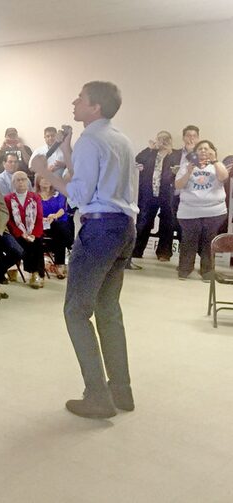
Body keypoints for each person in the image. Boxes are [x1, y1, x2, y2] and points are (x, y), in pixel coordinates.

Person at [32, 80, 137, 419]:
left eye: (80, 98)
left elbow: (78, 195)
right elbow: (90, 180)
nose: (74, 102)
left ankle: (96, 395)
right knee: (108, 310)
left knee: (76, 311)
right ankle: (121, 391)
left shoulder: (93, 139)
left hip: (100, 229)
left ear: (96, 107)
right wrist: (66, 150)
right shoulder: (120, 138)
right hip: (123, 228)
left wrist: (44, 171)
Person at [173, 139, 228, 280]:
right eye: (200, 149)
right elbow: (178, 185)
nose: (203, 151)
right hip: (189, 211)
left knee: (209, 241)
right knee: (188, 241)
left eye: (207, 148)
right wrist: (188, 172)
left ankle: (207, 272)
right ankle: (185, 270)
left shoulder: (218, 165)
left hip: (214, 211)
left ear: (212, 151)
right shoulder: (186, 165)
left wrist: (215, 161)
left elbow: (224, 177)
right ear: (195, 153)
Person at [129, 131, 176, 266]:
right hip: (149, 192)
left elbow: (178, 169)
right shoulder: (150, 152)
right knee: (144, 221)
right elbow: (137, 160)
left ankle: (164, 252)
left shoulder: (174, 154)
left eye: (166, 139)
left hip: (167, 193)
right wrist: (151, 148)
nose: (163, 141)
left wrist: (169, 151)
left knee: (167, 222)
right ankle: (137, 250)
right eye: (160, 138)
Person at [5, 171, 45, 289]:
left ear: (27, 181)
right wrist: (21, 233)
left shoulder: (35, 197)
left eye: (23, 179)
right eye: (18, 180)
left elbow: (39, 218)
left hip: (33, 231)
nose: (21, 182)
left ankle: (36, 274)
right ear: (13, 183)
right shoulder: (8, 199)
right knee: (20, 244)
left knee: (36, 242)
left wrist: (33, 234)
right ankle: (16, 269)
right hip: (16, 232)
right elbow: (9, 220)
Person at [36, 174, 73, 279]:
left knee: (59, 230)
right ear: (38, 181)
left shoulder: (59, 194)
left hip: (58, 222)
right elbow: (32, 212)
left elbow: (62, 209)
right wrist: (42, 218)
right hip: (42, 225)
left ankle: (60, 264)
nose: (46, 180)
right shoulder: (34, 196)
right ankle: (71, 245)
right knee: (60, 231)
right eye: (43, 178)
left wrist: (54, 216)